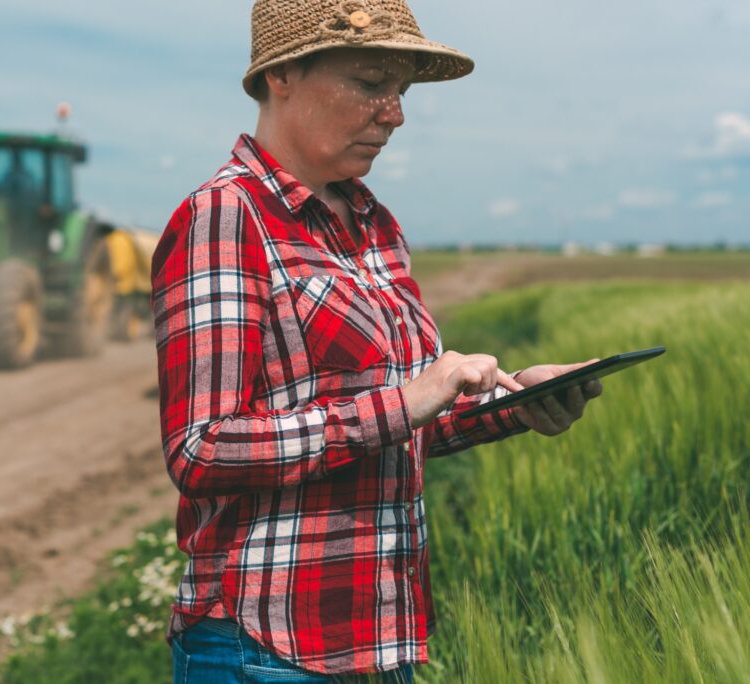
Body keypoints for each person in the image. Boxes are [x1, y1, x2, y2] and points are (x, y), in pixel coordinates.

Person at [151, 1, 602, 681]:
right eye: (369, 83)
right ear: (282, 75)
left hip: (379, 638)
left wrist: (516, 405)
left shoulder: (375, 225)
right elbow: (201, 448)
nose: (395, 113)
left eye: (401, 91)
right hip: (264, 645)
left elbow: (407, 422)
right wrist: (401, 405)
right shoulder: (225, 216)